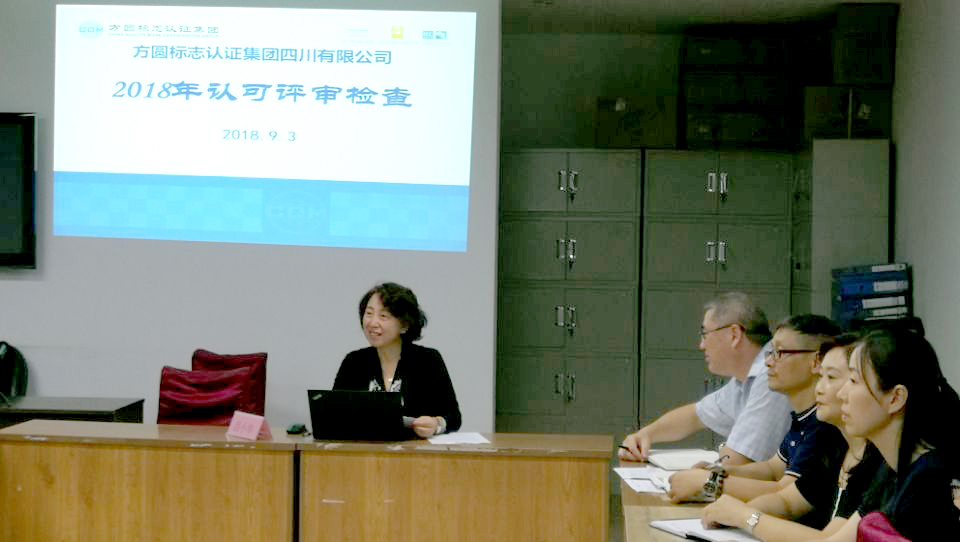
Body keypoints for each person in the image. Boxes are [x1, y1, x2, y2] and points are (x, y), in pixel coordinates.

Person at [700, 334, 894, 540]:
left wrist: (744, 516)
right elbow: (788, 501)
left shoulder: (882, 463)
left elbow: (827, 540)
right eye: (820, 377)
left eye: (833, 378)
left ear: (895, 398)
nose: (819, 388)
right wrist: (734, 513)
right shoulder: (836, 444)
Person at [668, 315, 846, 518]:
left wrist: (709, 482)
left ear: (816, 361)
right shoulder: (802, 418)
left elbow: (784, 491)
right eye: (770, 352)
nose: (768, 362)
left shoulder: (825, 426)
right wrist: (718, 471)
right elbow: (773, 469)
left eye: (780, 353)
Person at [803, 326, 960, 541]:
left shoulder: (927, 484)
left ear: (895, 398)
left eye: (854, 381)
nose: (842, 394)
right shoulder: (889, 468)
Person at [620, 292, 791, 466]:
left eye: (705, 333)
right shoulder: (745, 380)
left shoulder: (770, 374)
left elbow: (738, 461)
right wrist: (645, 435)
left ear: (734, 335)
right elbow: (696, 415)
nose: (701, 345)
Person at [332, 282, 461, 438]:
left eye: (383, 316)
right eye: (369, 313)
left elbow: (453, 417)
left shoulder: (428, 360)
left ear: (404, 325)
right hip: (365, 449)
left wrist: (436, 424)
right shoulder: (354, 361)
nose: (372, 323)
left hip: (414, 449)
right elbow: (333, 414)